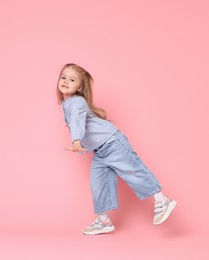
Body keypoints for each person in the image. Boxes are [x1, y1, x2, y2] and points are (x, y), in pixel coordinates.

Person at [57, 63, 176, 235]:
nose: (66, 81)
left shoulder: (77, 102)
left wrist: (76, 140)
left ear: (80, 87)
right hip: (100, 151)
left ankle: (162, 200)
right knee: (98, 185)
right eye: (63, 77)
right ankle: (103, 221)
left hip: (112, 143)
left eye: (72, 79)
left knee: (132, 171)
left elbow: (77, 120)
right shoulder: (66, 103)